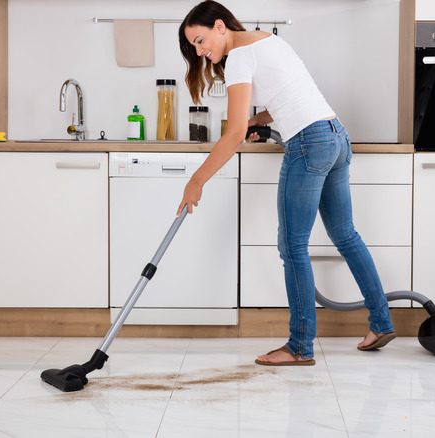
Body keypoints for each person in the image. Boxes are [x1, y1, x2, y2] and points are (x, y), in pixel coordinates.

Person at [178, 0, 396, 366]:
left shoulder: (239, 58)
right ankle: (381, 322)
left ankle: (299, 347)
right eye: (195, 48)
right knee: (346, 235)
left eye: (200, 41)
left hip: (309, 144)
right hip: (336, 136)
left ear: (219, 26)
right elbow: (284, 102)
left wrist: (197, 180)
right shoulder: (267, 40)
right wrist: (252, 123)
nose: (201, 52)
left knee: (292, 245)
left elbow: (231, 135)